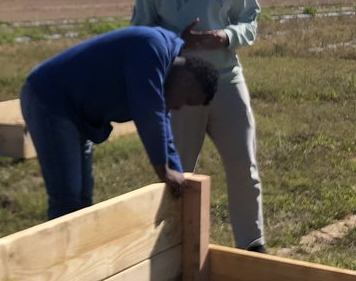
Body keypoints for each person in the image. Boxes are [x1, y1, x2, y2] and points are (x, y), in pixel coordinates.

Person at [131, 0, 265, 252]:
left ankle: (253, 246)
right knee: (178, 172)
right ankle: (170, 249)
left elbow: (251, 20)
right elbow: (140, 33)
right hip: (180, 89)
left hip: (226, 81)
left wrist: (226, 37)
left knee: (243, 165)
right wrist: (178, 38)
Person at [20, 25, 218, 219]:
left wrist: (178, 173)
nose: (179, 108)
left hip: (77, 111)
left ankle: (79, 251)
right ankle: (58, 252)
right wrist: (163, 170)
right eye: (187, 100)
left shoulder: (164, 69)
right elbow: (148, 112)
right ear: (187, 81)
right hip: (51, 100)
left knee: (82, 199)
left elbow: (162, 125)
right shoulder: (152, 48)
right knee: (67, 199)